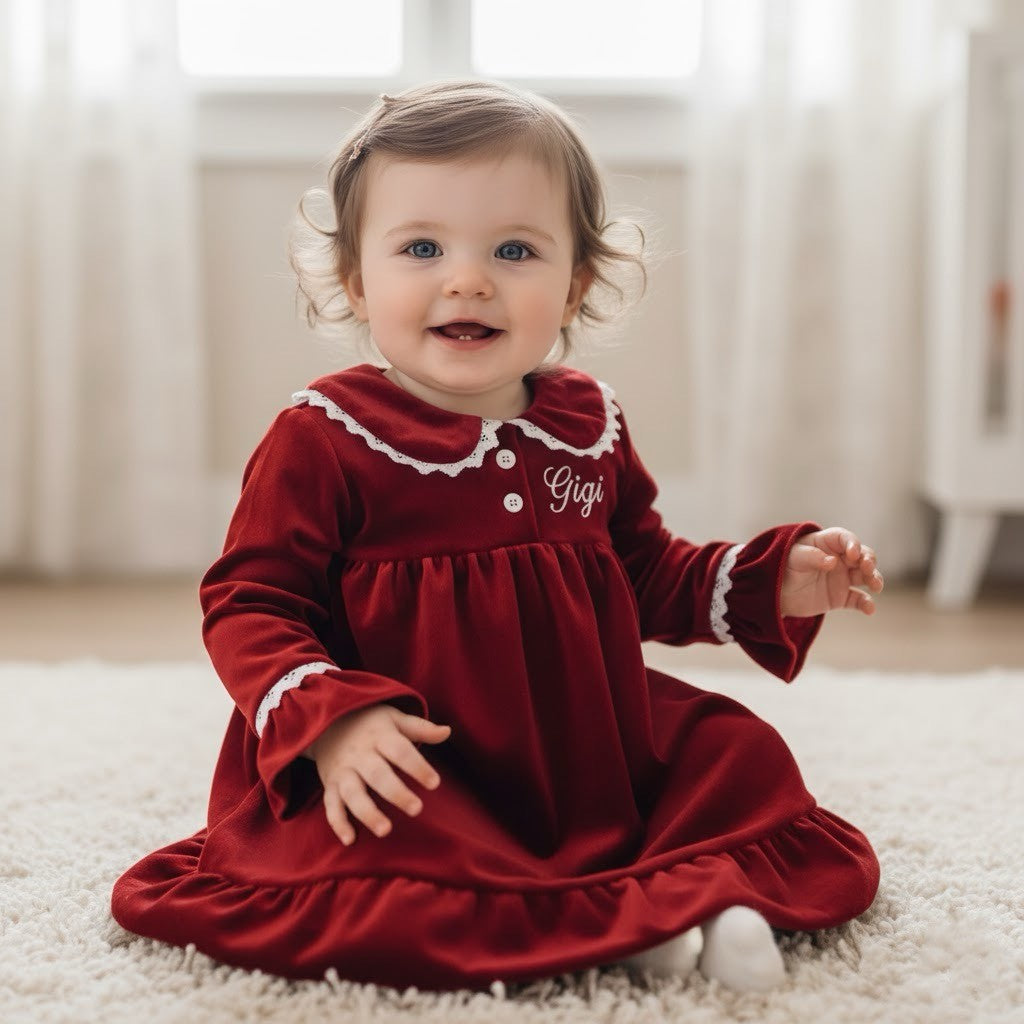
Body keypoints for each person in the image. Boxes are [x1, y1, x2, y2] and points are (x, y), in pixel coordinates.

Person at [111, 79, 883, 994]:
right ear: (359, 280)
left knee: (733, 752)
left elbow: (640, 571)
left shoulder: (587, 421)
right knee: (380, 838)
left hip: (586, 750)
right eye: (422, 248)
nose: (467, 278)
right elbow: (250, 601)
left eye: (515, 249)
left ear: (576, 284)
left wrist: (770, 580)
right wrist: (334, 725)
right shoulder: (323, 435)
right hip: (419, 748)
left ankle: (681, 903)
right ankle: (634, 923)